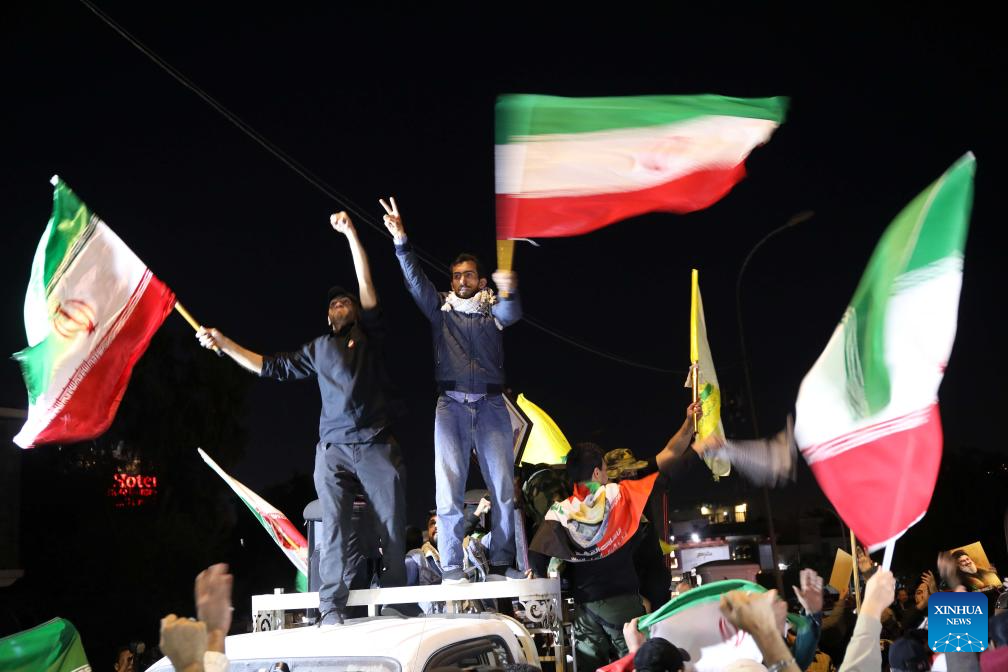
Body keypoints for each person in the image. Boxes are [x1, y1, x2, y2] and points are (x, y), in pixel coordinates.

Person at [197, 212, 406, 624]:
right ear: (328, 318)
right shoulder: (318, 348)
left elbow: (365, 283)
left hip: (376, 443)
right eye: (333, 304)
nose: (340, 304)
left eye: (345, 301)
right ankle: (330, 607)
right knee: (333, 524)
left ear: (356, 312)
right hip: (333, 450)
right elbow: (269, 366)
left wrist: (351, 234)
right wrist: (224, 344)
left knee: (391, 523)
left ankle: (396, 598)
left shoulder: (369, 335)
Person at [382, 196, 523, 583]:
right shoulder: (440, 310)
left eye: (469, 275)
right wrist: (401, 242)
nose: (462, 281)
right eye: (457, 275)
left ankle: (501, 562)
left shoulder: (492, 310)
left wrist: (509, 291)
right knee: (448, 489)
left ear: (481, 281)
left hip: (492, 406)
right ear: (451, 281)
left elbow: (511, 313)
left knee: (502, 488)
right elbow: (415, 281)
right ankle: (451, 566)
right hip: (452, 407)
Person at [528, 402, 707, 671]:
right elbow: (668, 462)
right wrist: (695, 440)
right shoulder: (617, 496)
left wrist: (541, 578)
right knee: (637, 662)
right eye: (604, 470)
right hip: (622, 605)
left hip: (586, 610)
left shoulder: (560, 511)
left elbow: (537, 554)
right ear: (597, 472)